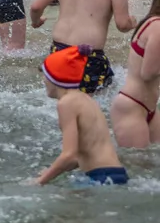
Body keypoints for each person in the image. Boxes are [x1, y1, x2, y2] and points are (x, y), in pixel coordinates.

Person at [34, 44, 127, 186]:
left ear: (55, 78)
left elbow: (69, 155)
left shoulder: (66, 103)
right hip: (115, 174)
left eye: (45, 76)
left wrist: (40, 181)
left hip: (100, 178)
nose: (43, 81)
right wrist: (51, 170)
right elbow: (80, 156)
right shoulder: (86, 100)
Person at [111, 0, 160, 148]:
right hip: (132, 107)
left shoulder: (152, 22)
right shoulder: (157, 27)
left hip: (147, 107)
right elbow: (148, 73)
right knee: (137, 162)